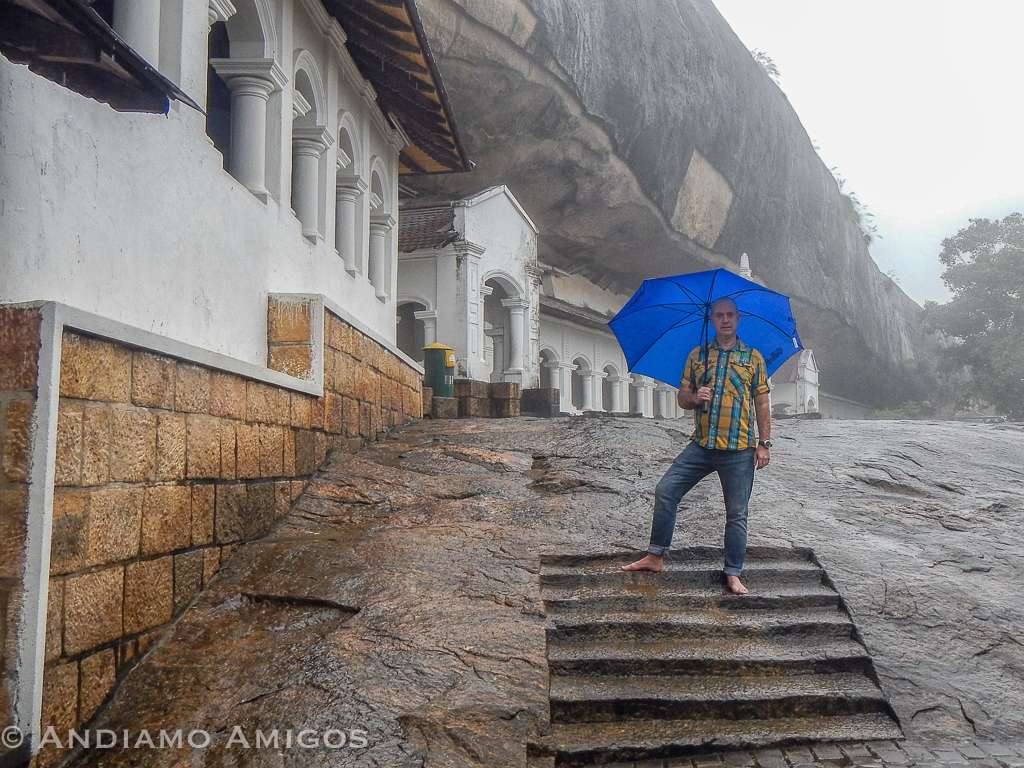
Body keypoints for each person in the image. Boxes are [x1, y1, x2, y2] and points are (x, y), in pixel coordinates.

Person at [621, 296, 773, 595]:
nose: (725, 320)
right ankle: (655, 556)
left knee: (736, 513)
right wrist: (695, 397)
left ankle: (733, 573)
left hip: (739, 449)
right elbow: (682, 397)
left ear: (738, 319)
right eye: (719, 315)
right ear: (711, 320)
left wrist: (764, 443)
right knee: (666, 490)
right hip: (701, 446)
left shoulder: (753, 358)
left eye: (730, 315)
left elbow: (762, 401)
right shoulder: (698, 356)